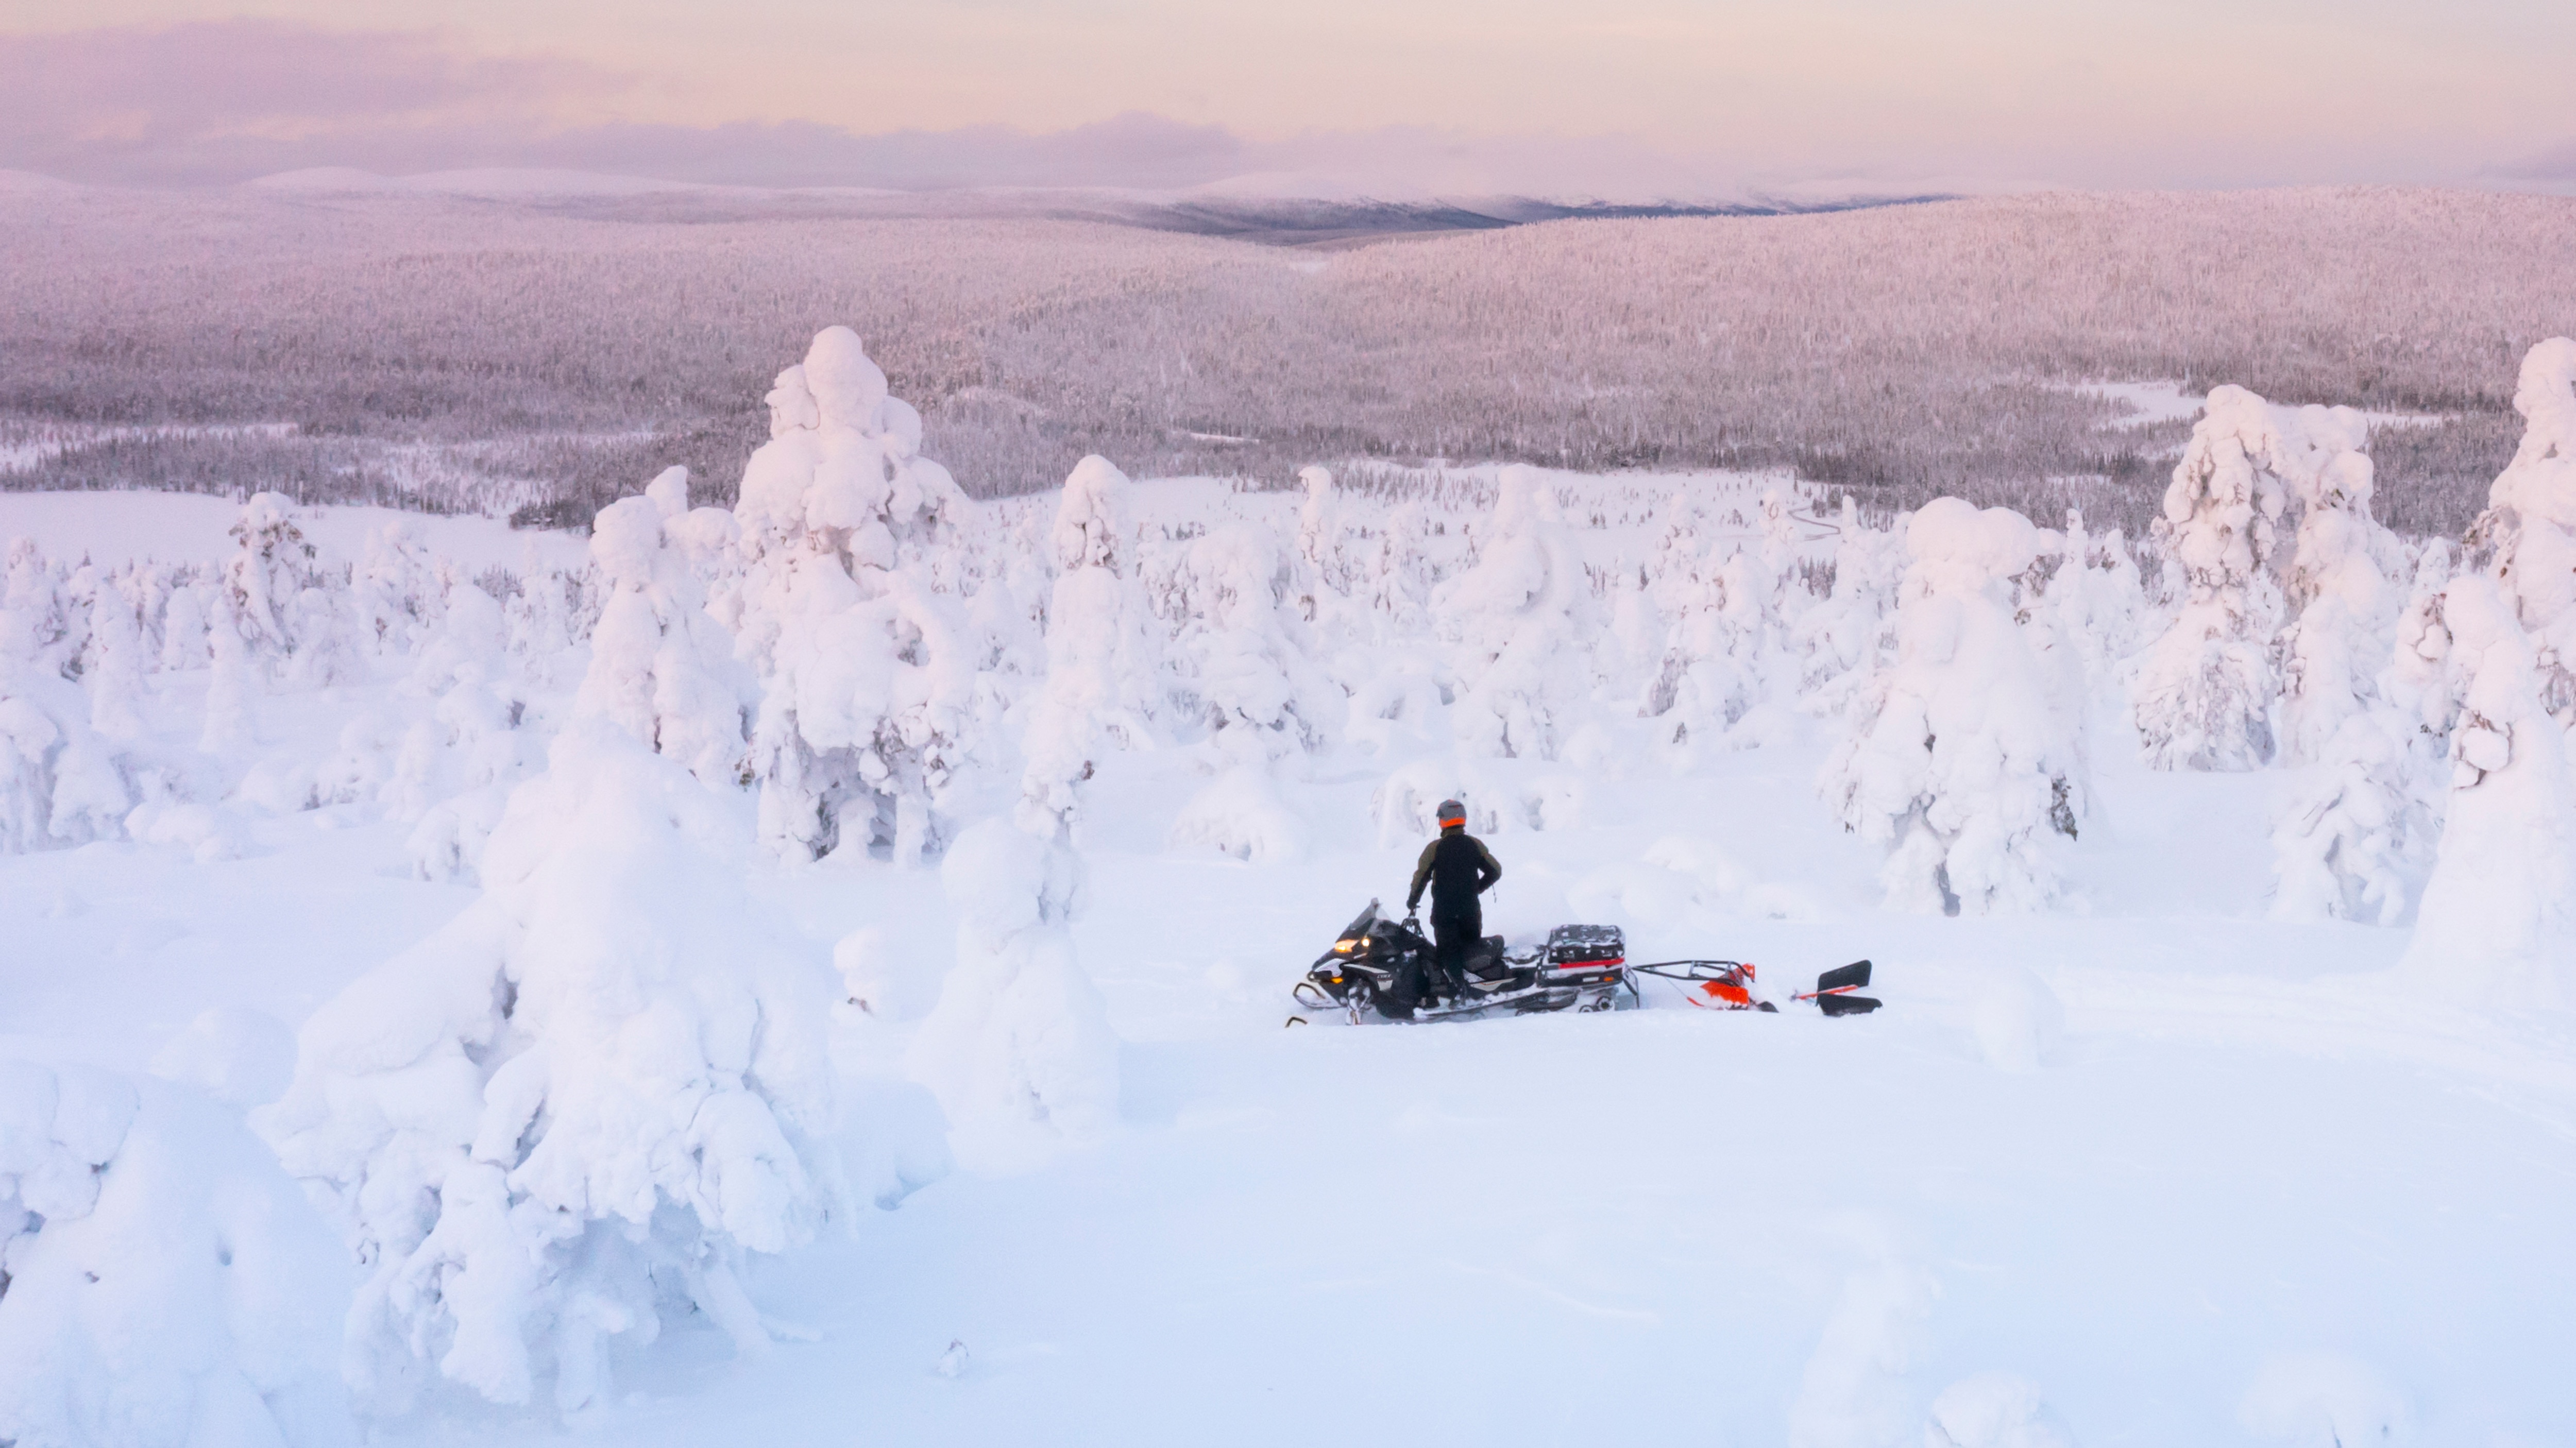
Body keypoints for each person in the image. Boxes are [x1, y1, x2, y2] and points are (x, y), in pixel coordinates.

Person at [1402, 799, 1501, 1012]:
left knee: (1448, 952)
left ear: (1442, 821)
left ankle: (1458, 993)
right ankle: (1476, 991)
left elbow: (1421, 878)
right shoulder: (1475, 845)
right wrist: (1478, 888)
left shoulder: (1435, 849)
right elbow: (1496, 871)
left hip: (1445, 912)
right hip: (1470, 911)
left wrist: (1412, 902)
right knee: (1471, 952)